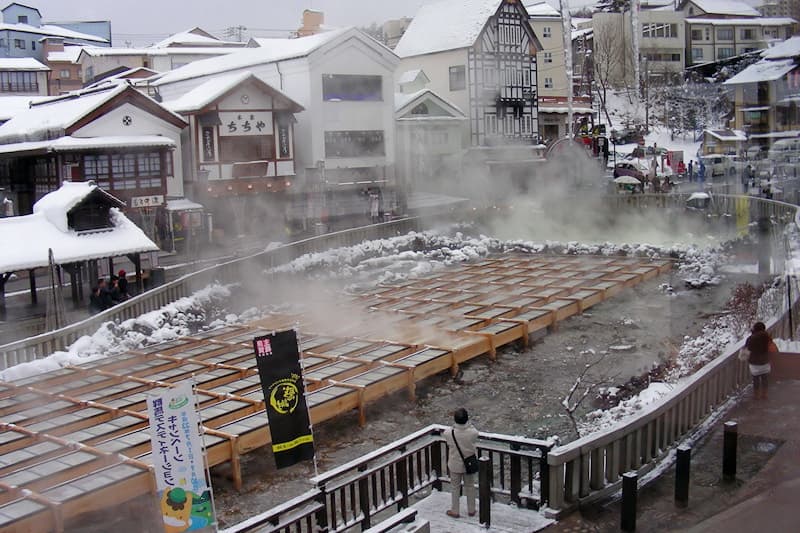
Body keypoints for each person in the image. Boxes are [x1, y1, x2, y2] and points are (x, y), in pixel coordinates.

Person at [443, 407, 479, 519]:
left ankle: (455, 510)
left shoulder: (449, 433)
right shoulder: (472, 432)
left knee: (455, 488)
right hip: (469, 464)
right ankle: (471, 510)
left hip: (454, 464)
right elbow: (475, 432)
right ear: (467, 419)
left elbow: (446, 434)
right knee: (470, 486)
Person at [744, 321, 774, 400]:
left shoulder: (751, 338)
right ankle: (765, 394)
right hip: (765, 361)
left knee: (756, 379)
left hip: (754, 362)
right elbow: (771, 347)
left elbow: (747, 349)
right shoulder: (767, 337)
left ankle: (756, 395)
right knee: (765, 378)